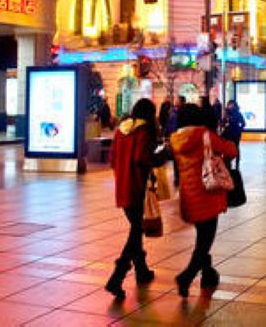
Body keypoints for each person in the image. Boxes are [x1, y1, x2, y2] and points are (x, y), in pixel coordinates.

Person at [170, 104, 238, 297]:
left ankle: (207, 274)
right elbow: (231, 151)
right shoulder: (204, 135)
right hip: (207, 195)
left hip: (189, 197)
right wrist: (228, 140)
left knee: (202, 238)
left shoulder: (176, 138)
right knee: (204, 243)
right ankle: (186, 277)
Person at [105, 98, 160, 300]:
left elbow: (112, 159)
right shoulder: (144, 131)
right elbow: (142, 157)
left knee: (136, 228)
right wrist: (162, 156)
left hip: (123, 185)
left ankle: (142, 270)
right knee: (136, 231)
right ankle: (117, 277)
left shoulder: (122, 130)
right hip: (137, 187)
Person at [222, 100, 245, 168]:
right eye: (229, 104)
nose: (230, 106)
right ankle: (228, 162)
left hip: (236, 133)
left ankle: (237, 165)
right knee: (228, 147)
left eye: (232, 104)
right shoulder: (226, 113)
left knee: (236, 147)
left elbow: (243, 123)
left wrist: (239, 129)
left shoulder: (238, 113)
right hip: (228, 133)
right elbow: (223, 123)